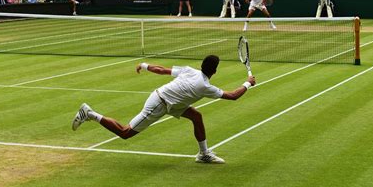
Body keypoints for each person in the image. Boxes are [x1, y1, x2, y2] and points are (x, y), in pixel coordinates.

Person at [72, 55, 256, 164]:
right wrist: (248, 83)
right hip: (160, 103)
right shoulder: (205, 86)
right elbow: (232, 96)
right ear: (214, 72)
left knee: (196, 116)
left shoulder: (190, 70)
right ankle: (89, 113)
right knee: (125, 132)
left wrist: (145, 65)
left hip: (173, 103)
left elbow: (162, 70)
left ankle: (203, 154)